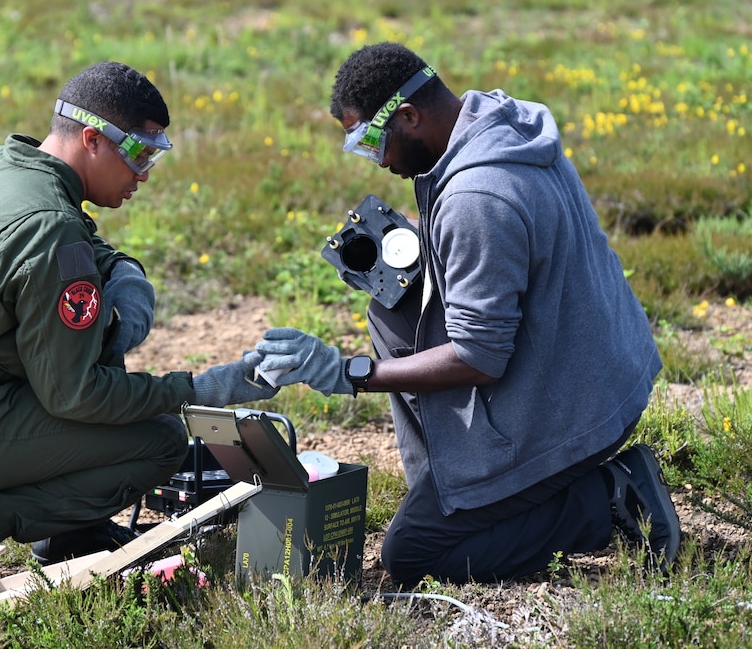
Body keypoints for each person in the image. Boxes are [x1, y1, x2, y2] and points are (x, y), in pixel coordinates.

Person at [256, 42, 679, 585]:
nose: (379, 161)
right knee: (392, 310)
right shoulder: (496, 123)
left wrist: (350, 373)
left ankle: (613, 495)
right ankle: (456, 487)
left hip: (576, 412)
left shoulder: (479, 196)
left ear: (409, 115)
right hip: (592, 363)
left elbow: (480, 359)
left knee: (413, 555)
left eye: (372, 143)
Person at [0, 61, 277, 564]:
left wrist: (125, 272)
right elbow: (75, 394)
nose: (143, 176)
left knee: (97, 344)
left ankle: (72, 534)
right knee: (159, 440)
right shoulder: (51, 228)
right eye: (139, 156)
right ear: (92, 139)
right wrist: (197, 390)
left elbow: (72, 237)